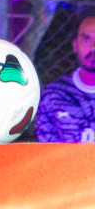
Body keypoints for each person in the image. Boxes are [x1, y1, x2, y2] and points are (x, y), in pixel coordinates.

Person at [37, 11, 95, 143]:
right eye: (86, 40)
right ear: (75, 45)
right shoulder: (54, 95)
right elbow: (46, 155)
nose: (93, 48)